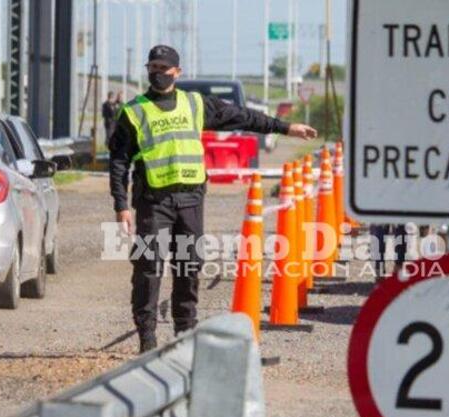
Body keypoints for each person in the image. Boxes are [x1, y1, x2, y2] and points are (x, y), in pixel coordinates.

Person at [109, 45, 317, 353]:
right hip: (153, 201)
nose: (157, 73)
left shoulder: (195, 105)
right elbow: (118, 161)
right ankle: (148, 339)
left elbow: (241, 117)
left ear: (177, 72)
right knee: (148, 268)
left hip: (191, 199)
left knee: (188, 267)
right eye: (152, 67)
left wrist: (285, 127)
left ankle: (185, 336)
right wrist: (121, 205)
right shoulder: (133, 111)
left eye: (163, 68)